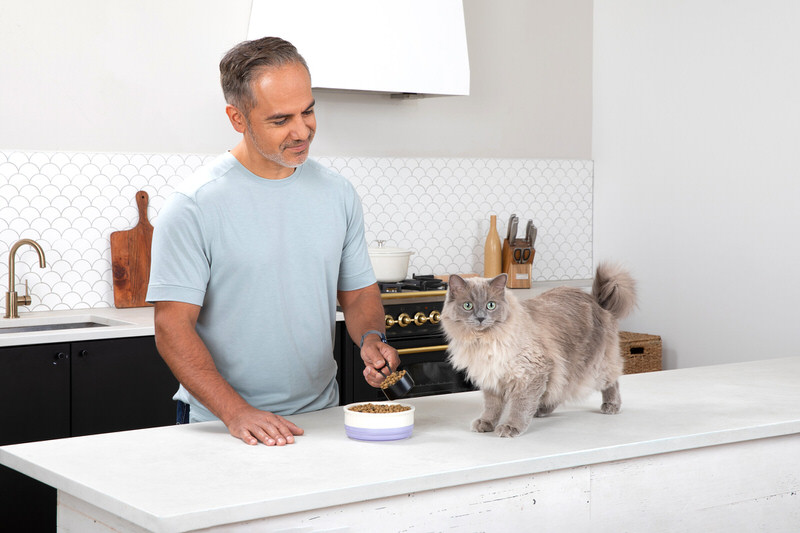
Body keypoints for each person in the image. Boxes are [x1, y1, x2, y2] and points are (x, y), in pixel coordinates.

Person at [146, 36, 398, 446]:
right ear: (237, 118)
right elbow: (171, 327)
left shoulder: (338, 193)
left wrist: (372, 338)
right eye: (281, 120)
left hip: (321, 417)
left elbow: (357, 295)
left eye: (308, 111)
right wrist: (236, 412)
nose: (302, 130)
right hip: (223, 424)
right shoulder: (194, 205)